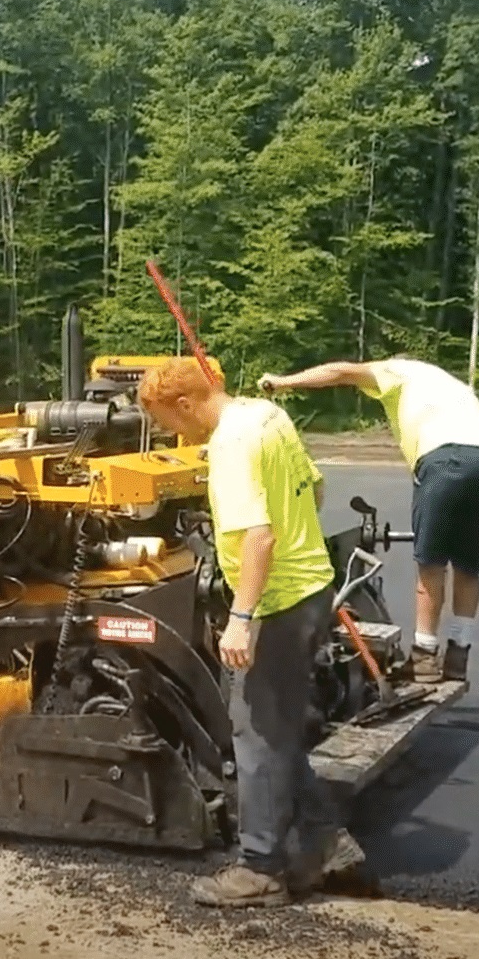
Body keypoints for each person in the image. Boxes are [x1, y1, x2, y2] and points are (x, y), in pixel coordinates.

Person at [137, 357, 342, 908]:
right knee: (278, 728)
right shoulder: (266, 415)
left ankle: (260, 869)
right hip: (311, 587)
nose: (169, 434)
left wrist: (241, 618)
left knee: (255, 735)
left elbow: (258, 537)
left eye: (166, 421)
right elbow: (314, 489)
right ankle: (323, 842)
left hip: (276, 604)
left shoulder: (229, 446)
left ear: (185, 404)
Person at [259, 355, 479, 684]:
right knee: (466, 562)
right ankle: (458, 654)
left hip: (446, 461)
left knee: (431, 563)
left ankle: (424, 656)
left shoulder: (396, 371)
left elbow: (340, 372)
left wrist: (282, 382)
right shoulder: (446, 381)